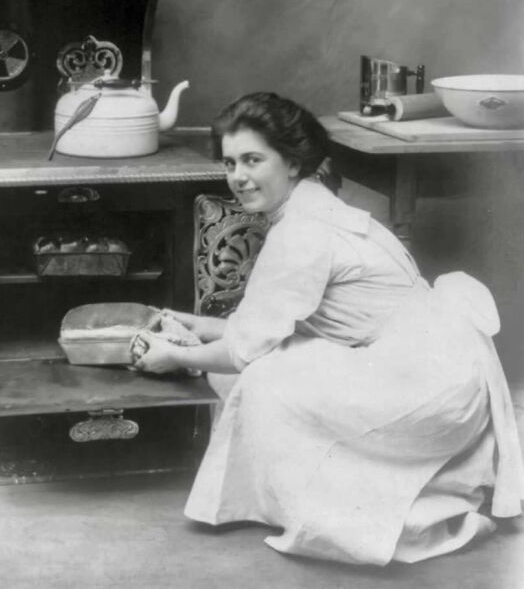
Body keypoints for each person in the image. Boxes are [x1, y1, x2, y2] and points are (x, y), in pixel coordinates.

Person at [132, 91, 524, 566]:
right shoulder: (317, 206)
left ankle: (352, 516)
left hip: (430, 390)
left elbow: (243, 352)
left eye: (253, 160)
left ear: (293, 162)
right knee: (279, 356)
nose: (238, 177)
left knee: (261, 378)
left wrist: (173, 356)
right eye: (231, 162)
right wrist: (197, 325)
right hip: (444, 375)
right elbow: (263, 326)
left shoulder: (302, 231)